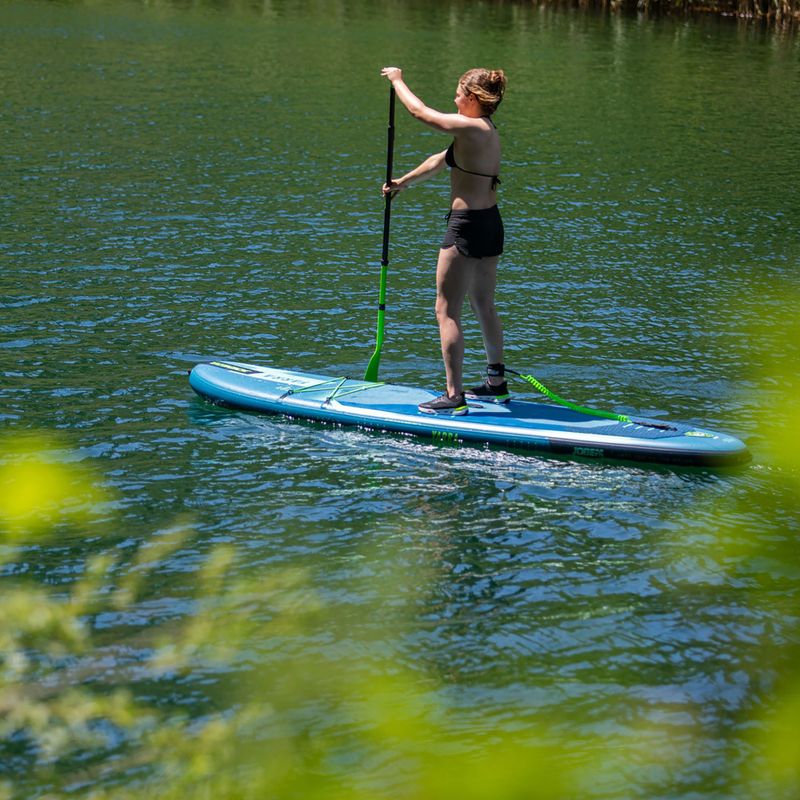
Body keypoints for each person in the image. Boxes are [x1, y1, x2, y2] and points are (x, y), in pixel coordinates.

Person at [381, 66, 509, 416]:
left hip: (466, 226)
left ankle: (454, 395)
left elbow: (419, 113)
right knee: (483, 302)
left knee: (445, 309)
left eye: (457, 94)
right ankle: (496, 383)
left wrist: (397, 80)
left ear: (471, 99)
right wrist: (403, 182)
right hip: (490, 224)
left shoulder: (469, 126)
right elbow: (441, 161)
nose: (453, 99)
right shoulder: (485, 132)